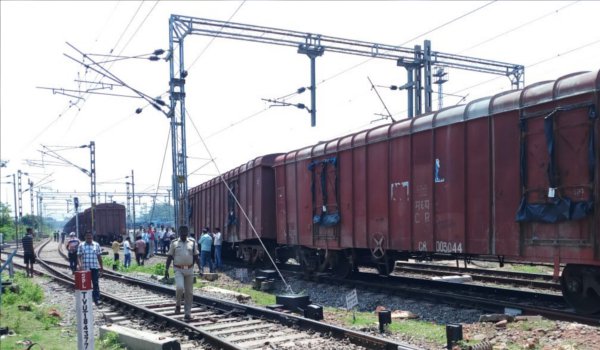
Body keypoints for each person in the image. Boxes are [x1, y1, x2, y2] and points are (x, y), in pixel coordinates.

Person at [165, 225, 200, 321]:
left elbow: (196, 256)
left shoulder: (192, 243)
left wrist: (200, 269)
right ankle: (178, 304)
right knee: (180, 287)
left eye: (185, 232)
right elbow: (169, 257)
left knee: (189, 293)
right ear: (179, 233)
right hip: (178, 269)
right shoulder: (174, 243)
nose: (183, 234)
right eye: (182, 232)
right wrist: (166, 270)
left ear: (187, 233)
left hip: (189, 270)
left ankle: (187, 313)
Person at [77, 231, 104, 306]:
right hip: (85, 269)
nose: (89, 239)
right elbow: (78, 256)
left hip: (94, 267)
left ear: (92, 237)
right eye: (88, 237)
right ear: (85, 237)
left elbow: (99, 256)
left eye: (90, 237)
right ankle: (87, 299)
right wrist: (79, 265)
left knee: (95, 283)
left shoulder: (96, 245)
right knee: (86, 284)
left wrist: (101, 267)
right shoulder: (81, 245)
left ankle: (97, 299)